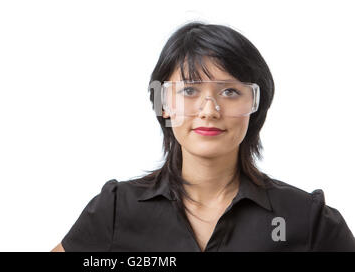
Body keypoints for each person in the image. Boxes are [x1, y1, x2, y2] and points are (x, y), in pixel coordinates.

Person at [51, 21, 355, 252]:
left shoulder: (307, 218)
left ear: (254, 105)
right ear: (164, 104)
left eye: (230, 91)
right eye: (189, 90)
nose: (209, 110)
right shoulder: (117, 210)